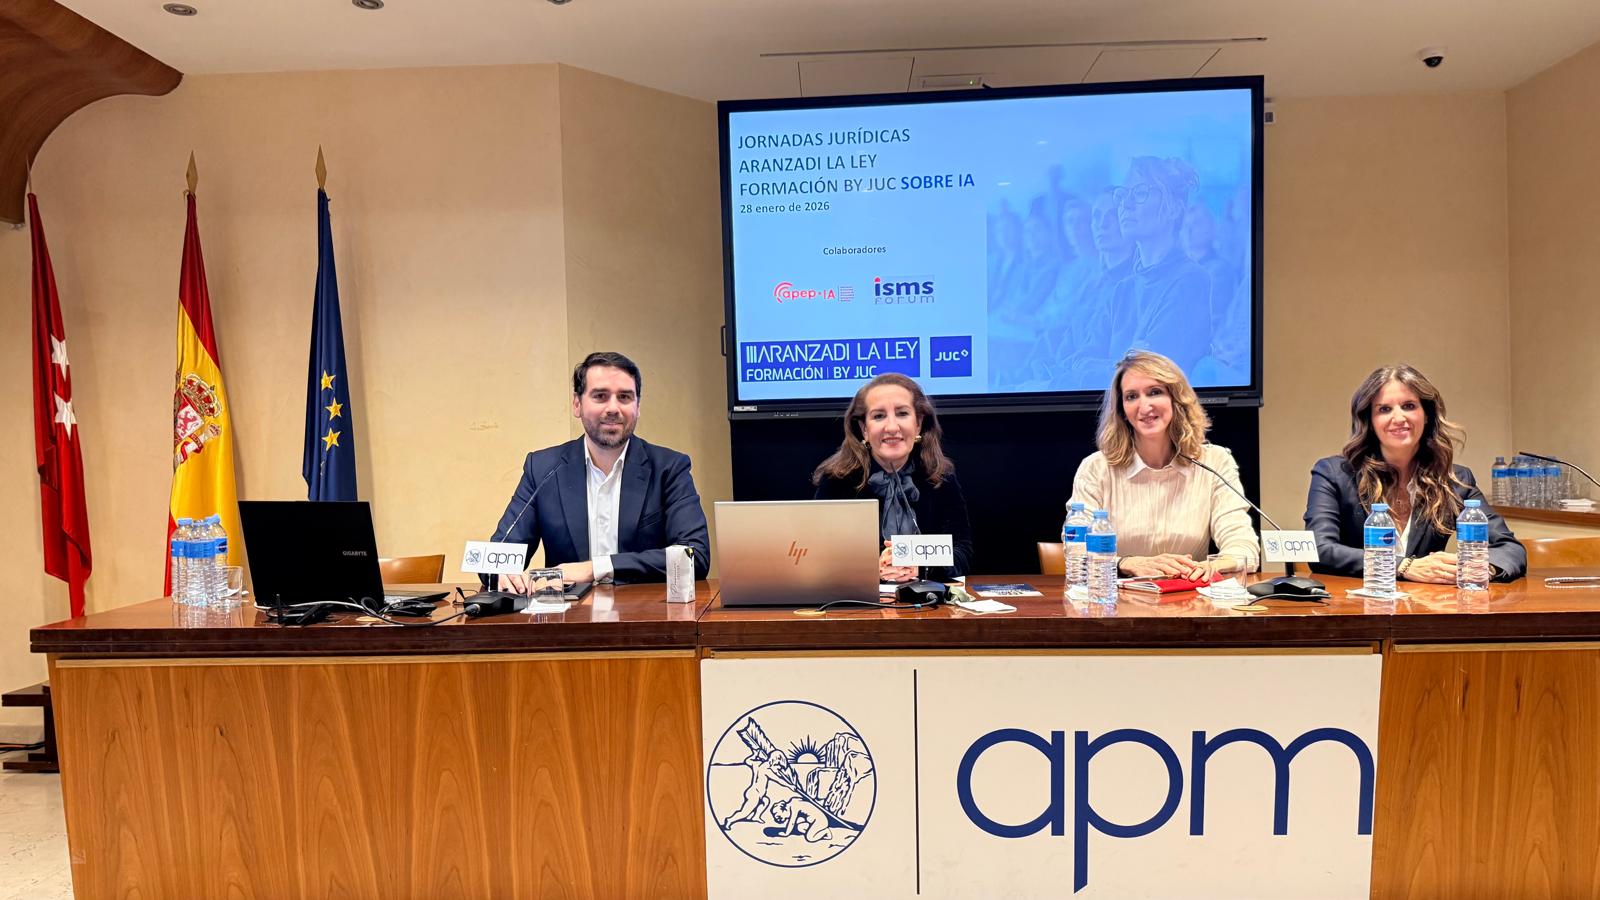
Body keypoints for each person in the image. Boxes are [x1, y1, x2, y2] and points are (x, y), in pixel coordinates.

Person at [492, 351, 711, 592]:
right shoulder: (543, 468)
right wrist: (503, 574)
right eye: (600, 396)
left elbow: (695, 556)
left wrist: (594, 569)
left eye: (624, 397)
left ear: (638, 407)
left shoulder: (669, 468)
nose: (613, 408)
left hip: (645, 612)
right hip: (568, 613)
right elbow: (496, 558)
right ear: (577, 404)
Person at [1304, 365, 1526, 583]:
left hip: (1427, 603)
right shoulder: (1334, 474)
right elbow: (1319, 549)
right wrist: (1403, 566)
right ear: (1369, 421)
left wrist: (1481, 568)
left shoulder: (1455, 480)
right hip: (1354, 602)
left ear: (1426, 414)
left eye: (1409, 406)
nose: (1399, 418)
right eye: (1384, 409)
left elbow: (1510, 549)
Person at [1069, 351, 1260, 578]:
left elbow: (1243, 546)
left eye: (1154, 392)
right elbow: (1077, 550)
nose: (1144, 406)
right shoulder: (1096, 468)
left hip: (1189, 594)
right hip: (1116, 595)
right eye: (1131, 396)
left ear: (1176, 399)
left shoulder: (1215, 462)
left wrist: (1211, 567)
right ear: (1122, 410)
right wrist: (1126, 563)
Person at [812, 373, 973, 582]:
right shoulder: (836, 480)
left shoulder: (941, 478)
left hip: (925, 598)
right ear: (864, 429)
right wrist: (872, 567)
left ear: (918, 424)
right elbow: (817, 557)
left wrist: (921, 566)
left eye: (902, 413)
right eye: (879, 416)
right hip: (859, 599)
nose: (892, 427)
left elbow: (962, 552)